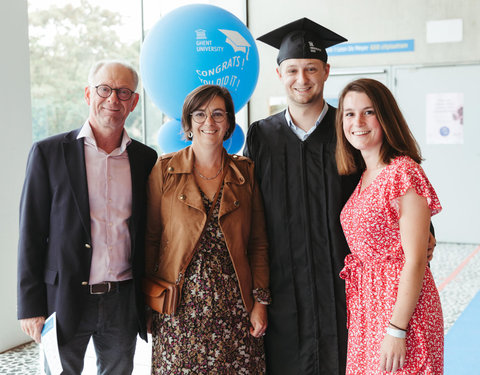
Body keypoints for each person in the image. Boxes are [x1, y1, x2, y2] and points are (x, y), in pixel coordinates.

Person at [245, 18, 436, 374]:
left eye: (311, 69)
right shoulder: (261, 137)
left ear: (326, 71)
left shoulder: (348, 131)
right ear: (279, 74)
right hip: (286, 292)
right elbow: (252, 216)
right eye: (293, 70)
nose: (302, 79)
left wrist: (428, 234)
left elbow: (389, 187)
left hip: (348, 294)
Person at [17, 60, 157, 374]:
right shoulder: (49, 153)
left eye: (123, 92)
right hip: (64, 297)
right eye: (104, 89)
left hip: (122, 299)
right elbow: (31, 234)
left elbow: (149, 233)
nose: (113, 100)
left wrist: (146, 302)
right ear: (87, 94)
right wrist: (30, 306)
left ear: (134, 102)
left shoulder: (146, 159)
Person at [145, 84, 270, 374]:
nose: (209, 122)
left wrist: (260, 302)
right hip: (177, 309)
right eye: (199, 114)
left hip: (236, 308)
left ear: (228, 123)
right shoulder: (164, 171)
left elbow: (258, 243)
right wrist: (148, 303)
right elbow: (151, 240)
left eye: (217, 114)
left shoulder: (245, 171)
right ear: (187, 123)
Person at [336, 78, 443, 374]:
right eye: (349, 113)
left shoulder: (403, 172)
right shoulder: (364, 177)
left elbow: (416, 259)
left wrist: (397, 329)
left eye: (368, 112)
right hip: (368, 307)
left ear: (385, 117)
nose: (358, 121)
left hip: (402, 311)